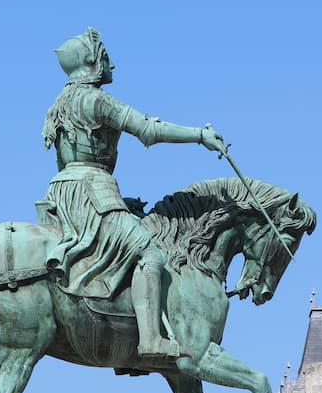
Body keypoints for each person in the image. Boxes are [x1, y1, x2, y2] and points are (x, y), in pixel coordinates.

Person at [41, 28, 225, 358]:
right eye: (107, 57)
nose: (113, 64)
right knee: (150, 254)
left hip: (61, 192)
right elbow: (148, 130)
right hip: (92, 192)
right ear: (92, 61)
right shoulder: (95, 100)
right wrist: (199, 135)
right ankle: (150, 339)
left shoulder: (60, 103)